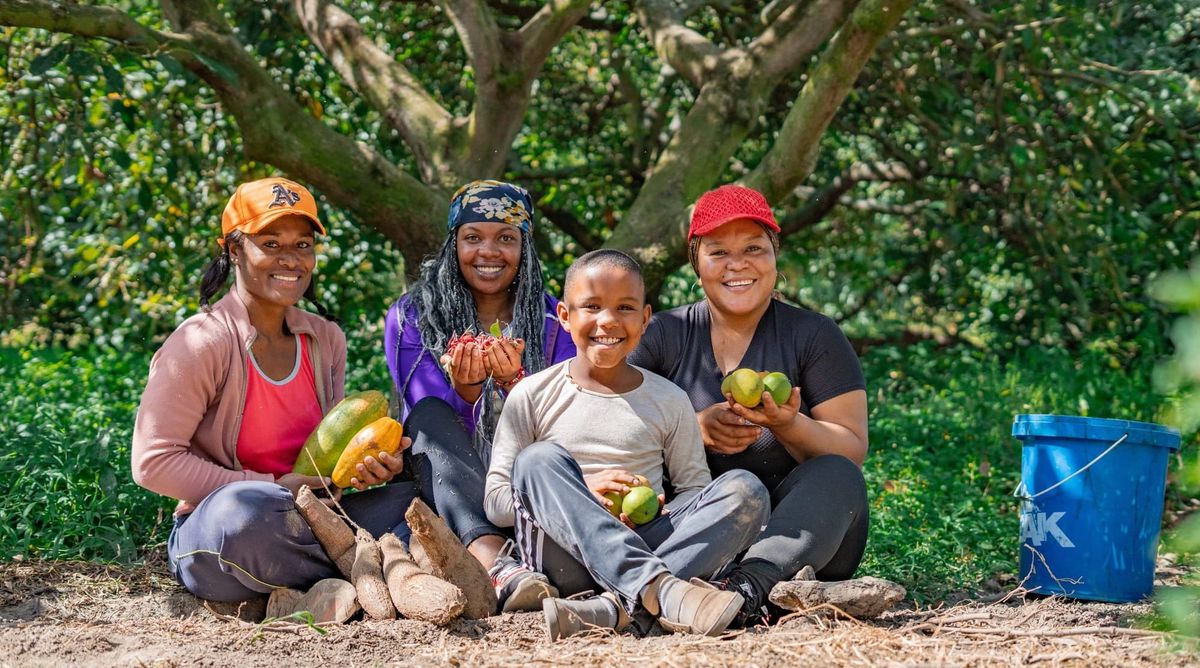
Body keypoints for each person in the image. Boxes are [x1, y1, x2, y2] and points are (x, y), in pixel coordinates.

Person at [131, 177, 420, 614]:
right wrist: (273, 487)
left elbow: (329, 467)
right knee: (243, 516)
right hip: (226, 529)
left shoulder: (325, 340)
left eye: (303, 245)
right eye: (271, 242)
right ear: (233, 250)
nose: (291, 259)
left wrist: (367, 469)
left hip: (319, 521)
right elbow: (152, 463)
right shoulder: (201, 343)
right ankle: (378, 569)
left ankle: (326, 587)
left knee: (423, 496)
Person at [484, 249, 771, 640]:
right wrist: (583, 493)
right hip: (564, 558)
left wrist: (658, 505)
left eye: (624, 307)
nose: (608, 321)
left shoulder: (669, 399)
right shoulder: (532, 394)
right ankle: (660, 590)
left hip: (648, 539)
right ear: (565, 317)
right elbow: (497, 502)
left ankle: (615, 609)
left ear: (645, 319)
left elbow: (694, 492)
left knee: (747, 490)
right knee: (537, 460)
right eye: (591, 306)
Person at [627, 184, 870, 626]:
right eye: (718, 252)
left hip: (797, 538)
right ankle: (702, 590)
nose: (737, 264)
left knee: (838, 474)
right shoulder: (663, 333)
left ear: (775, 256)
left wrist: (787, 423)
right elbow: (607, 424)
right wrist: (691, 427)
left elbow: (851, 448)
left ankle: (744, 592)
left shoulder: (814, 335)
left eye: (754, 248)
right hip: (692, 531)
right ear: (695, 264)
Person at [384, 179, 576, 609]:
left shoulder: (553, 320)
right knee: (432, 413)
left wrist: (515, 387)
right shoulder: (413, 315)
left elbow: (566, 421)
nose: (488, 252)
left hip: (527, 482)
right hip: (444, 485)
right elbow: (425, 425)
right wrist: (467, 392)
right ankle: (494, 562)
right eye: (473, 238)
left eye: (506, 238)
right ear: (454, 245)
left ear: (524, 248)